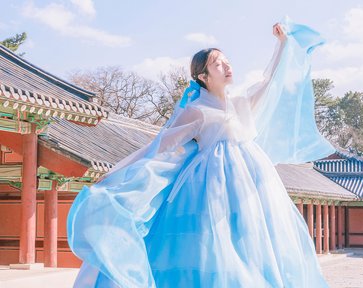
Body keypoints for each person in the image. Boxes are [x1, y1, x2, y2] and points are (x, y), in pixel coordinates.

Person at [67, 17, 334, 288]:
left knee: (255, 243)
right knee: (212, 247)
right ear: (203, 77)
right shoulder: (196, 111)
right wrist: (115, 173)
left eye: (227, 61)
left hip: (253, 186)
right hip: (210, 188)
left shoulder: (241, 103)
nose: (227, 66)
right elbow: (157, 146)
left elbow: (271, 81)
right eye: (218, 64)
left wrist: (282, 44)